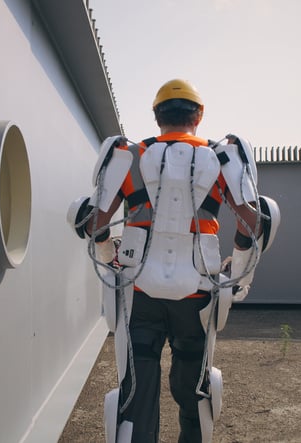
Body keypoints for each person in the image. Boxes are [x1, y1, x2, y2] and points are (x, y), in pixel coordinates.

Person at [67, 79, 280, 443]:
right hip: (197, 296)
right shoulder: (221, 157)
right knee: (196, 391)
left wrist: (109, 256)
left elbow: (93, 223)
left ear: (157, 117)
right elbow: (254, 219)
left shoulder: (130, 156)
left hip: (140, 293)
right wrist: (239, 271)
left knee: (136, 395)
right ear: (198, 117)